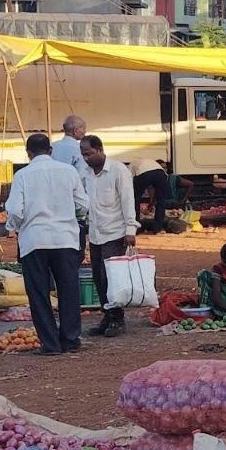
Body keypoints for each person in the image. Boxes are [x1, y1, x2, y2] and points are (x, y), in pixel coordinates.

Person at [4, 133, 89, 356]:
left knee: (39, 292)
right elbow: (82, 204)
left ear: (28, 153)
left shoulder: (22, 175)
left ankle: (50, 343)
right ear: (50, 150)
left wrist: (19, 225)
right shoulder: (68, 171)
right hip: (65, 238)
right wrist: (73, 217)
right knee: (69, 289)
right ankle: (70, 339)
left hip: (34, 240)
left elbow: (14, 210)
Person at [79, 134, 137, 337]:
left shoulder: (118, 170)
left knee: (110, 278)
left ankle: (117, 318)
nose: (86, 158)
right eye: (83, 155)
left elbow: (128, 201)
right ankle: (107, 315)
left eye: (89, 154)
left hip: (115, 232)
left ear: (100, 149)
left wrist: (130, 230)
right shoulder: (85, 173)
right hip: (95, 233)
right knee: (98, 277)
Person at [128, 152, 172, 233]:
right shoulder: (151, 162)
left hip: (143, 173)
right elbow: (152, 187)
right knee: (161, 201)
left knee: (135, 200)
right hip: (161, 174)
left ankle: (135, 227)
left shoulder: (131, 166)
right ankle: (158, 228)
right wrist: (152, 201)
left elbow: (129, 183)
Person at [51, 114, 90, 184]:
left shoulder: (51, 146)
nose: (85, 132)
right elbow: (82, 176)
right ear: (75, 131)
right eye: (84, 128)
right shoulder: (80, 149)